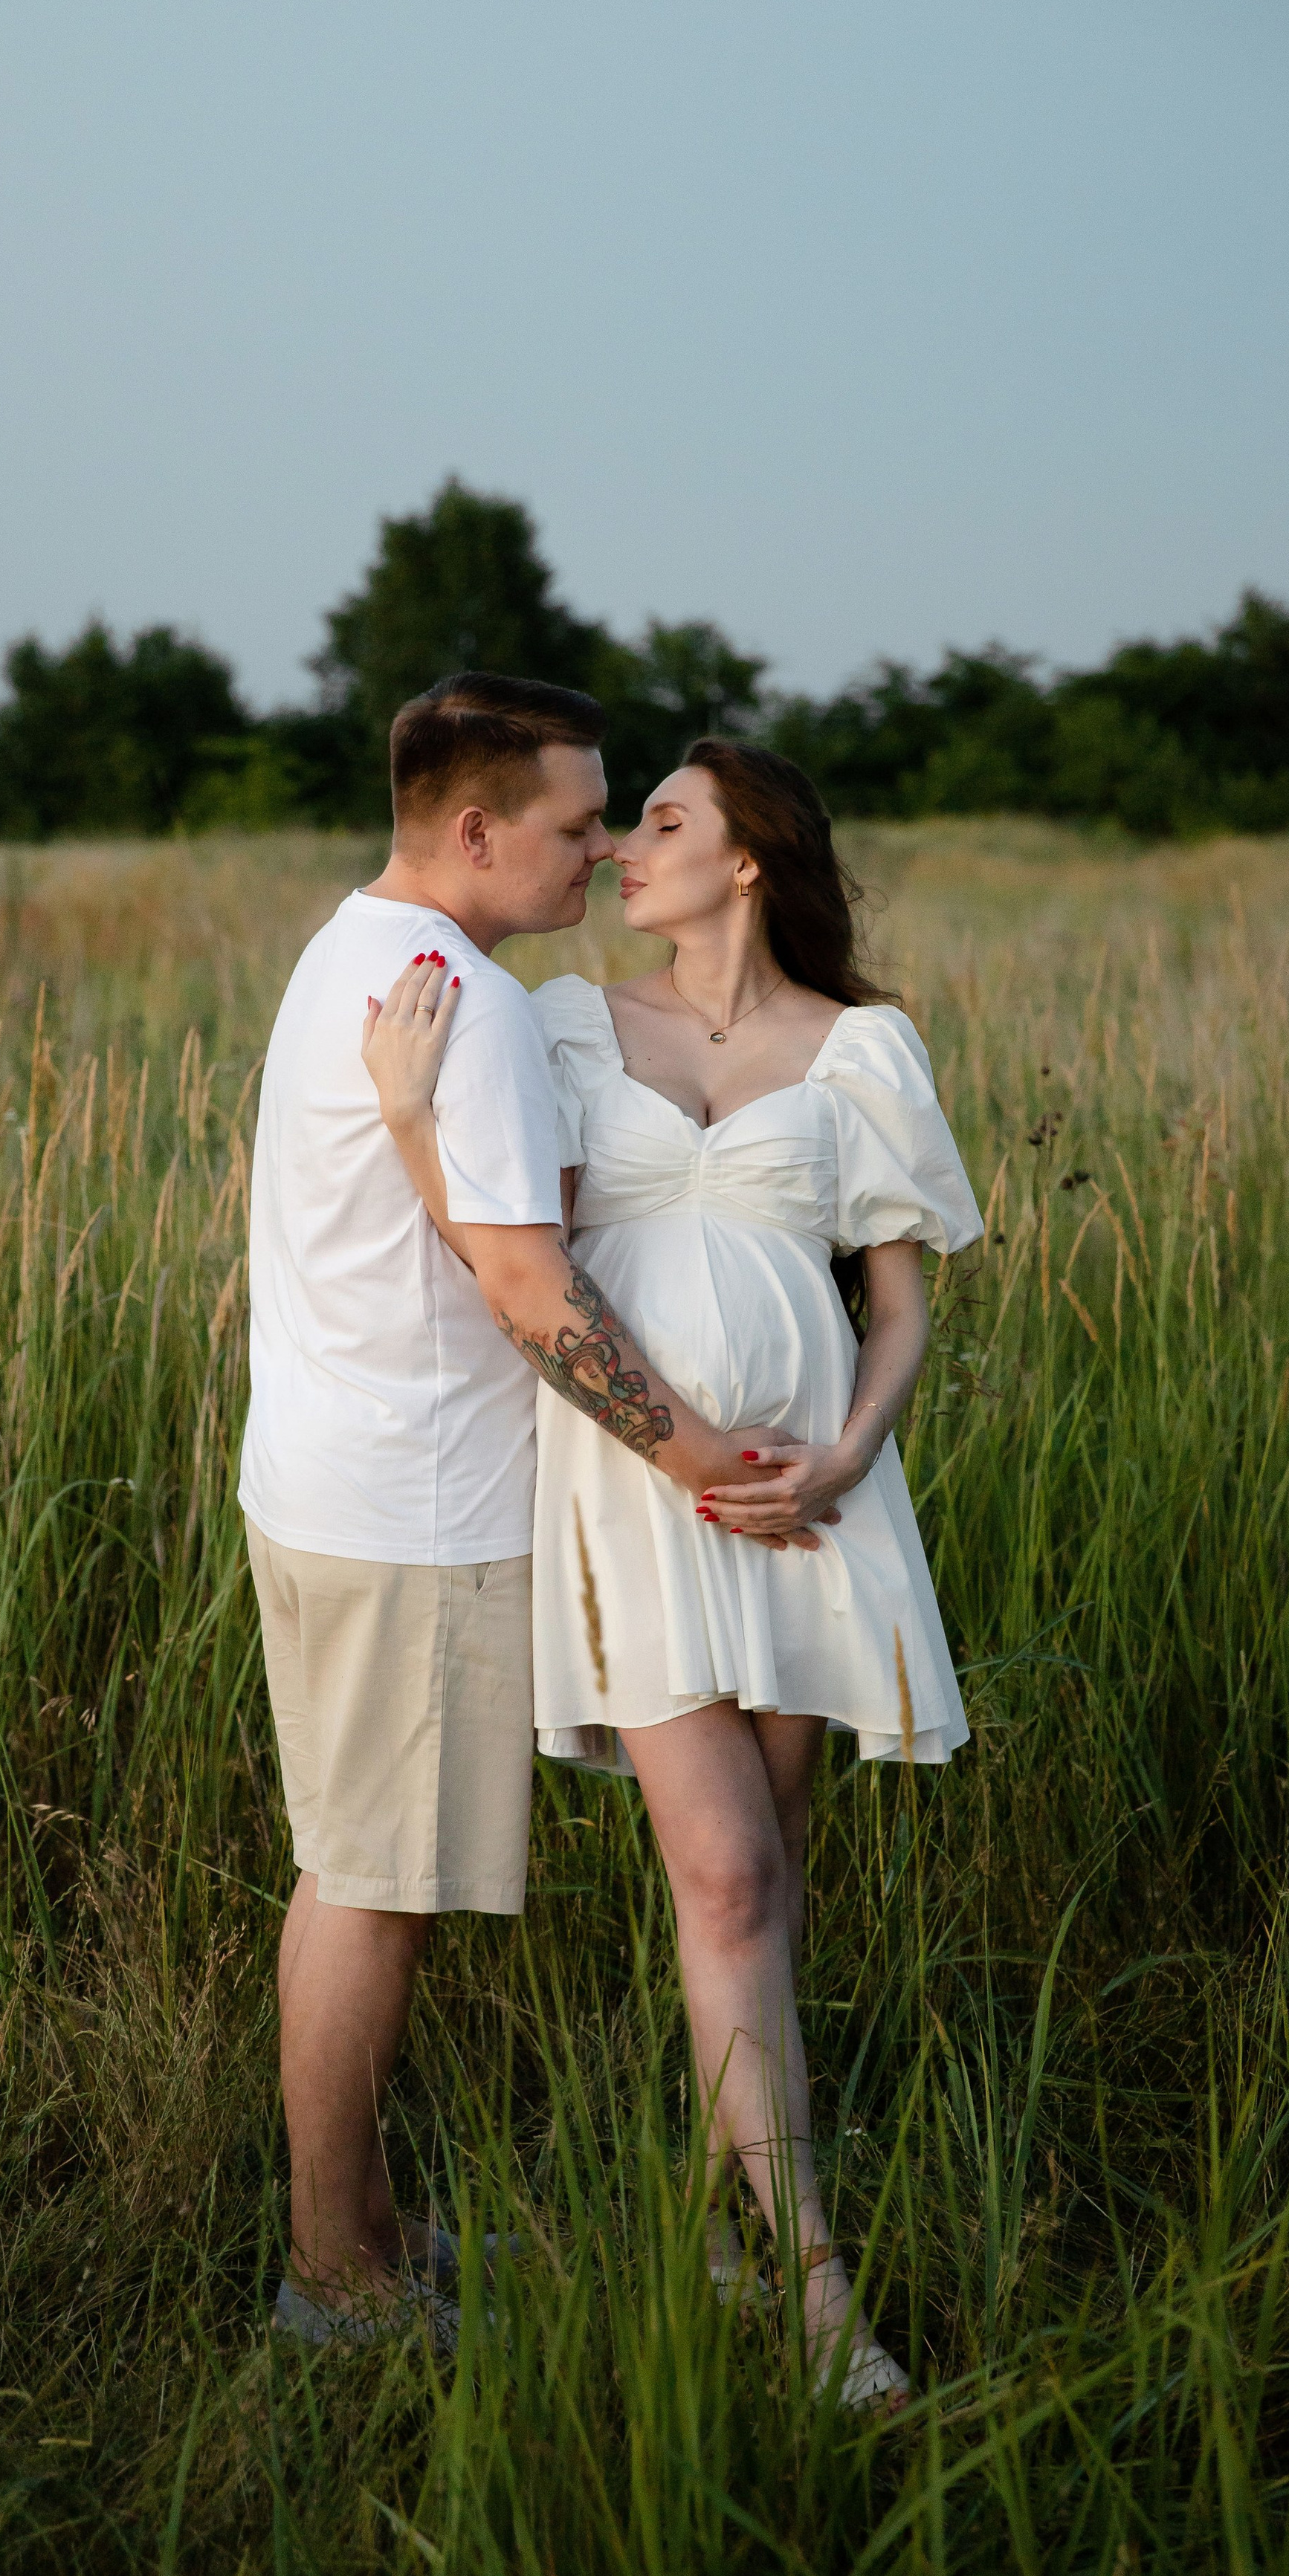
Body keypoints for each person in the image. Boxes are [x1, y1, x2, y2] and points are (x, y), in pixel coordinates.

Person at [363, 737, 983, 2408]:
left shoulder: (860, 1048)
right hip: (647, 1495)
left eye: (661, 821)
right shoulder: (570, 1027)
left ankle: (719, 2234)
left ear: (752, 857)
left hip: (813, 1503)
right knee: (720, 1879)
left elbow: (903, 1301)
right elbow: (521, 1254)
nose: (623, 847)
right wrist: (419, 1126)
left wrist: (846, 1456)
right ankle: (814, 2293)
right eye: (623, 820)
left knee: (765, 1883)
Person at [240, 678, 793, 2349]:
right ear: (472, 831)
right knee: (370, 1884)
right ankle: (335, 2286)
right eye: (573, 821)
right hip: (408, 1505)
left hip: (338, 1475)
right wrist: (692, 1449)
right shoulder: (460, 1000)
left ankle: (370, 2246)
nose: (603, 844)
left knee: (359, 1866)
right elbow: (526, 1291)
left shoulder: (353, 949)